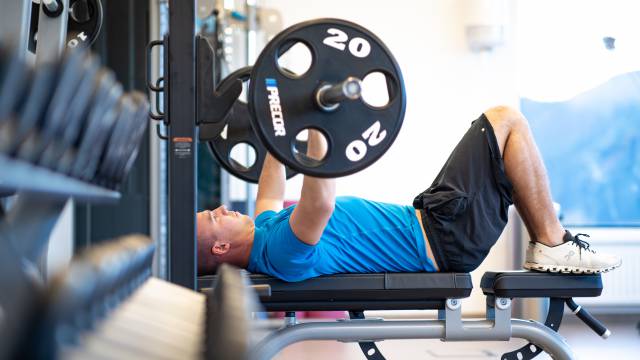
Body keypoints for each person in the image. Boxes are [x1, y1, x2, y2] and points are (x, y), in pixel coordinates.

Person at [197, 106, 621, 281]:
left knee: (507, 146)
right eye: (214, 217)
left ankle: (545, 226)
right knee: (505, 120)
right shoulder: (281, 252)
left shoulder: (264, 229)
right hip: (444, 237)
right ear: (219, 247)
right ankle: (552, 242)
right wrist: (317, 128)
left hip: (431, 216)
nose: (219, 208)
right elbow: (319, 202)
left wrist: (281, 117)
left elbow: (271, 188)